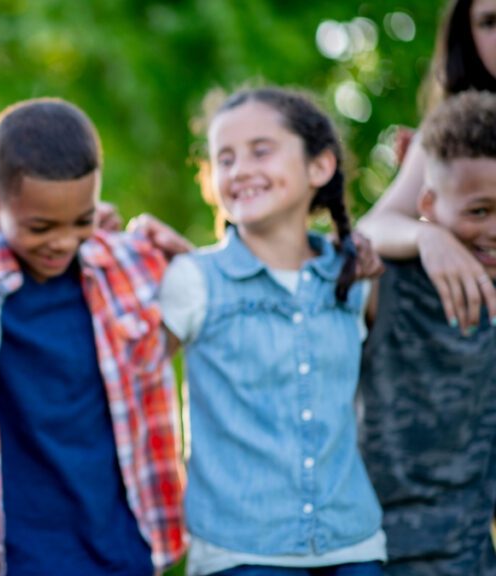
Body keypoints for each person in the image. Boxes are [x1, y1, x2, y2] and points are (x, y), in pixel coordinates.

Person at [0, 97, 186, 576]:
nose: (64, 242)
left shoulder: (135, 263)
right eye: (40, 226)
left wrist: (189, 256)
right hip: (3, 553)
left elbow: (226, 302)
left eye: (81, 221)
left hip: (121, 549)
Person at [160, 87, 385, 576]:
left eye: (261, 151)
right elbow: (127, 374)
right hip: (240, 552)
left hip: (354, 546)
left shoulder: (355, 279)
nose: (239, 170)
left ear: (319, 167)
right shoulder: (194, 280)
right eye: (225, 159)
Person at [358, 90, 496, 576]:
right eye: (478, 211)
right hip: (371, 554)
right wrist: (423, 236)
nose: (494, 230)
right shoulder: (387, 284)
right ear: (430, 204)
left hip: (471, 558)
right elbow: (354, 241)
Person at [358, 0, 496, 334]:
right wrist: (427, 236)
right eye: (489, 22)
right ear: (466, 35)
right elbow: (371, 229)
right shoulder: (452, 132)